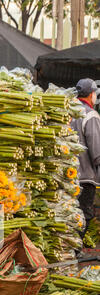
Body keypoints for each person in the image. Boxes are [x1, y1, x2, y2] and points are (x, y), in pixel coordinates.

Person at [71, 78, 100, 238]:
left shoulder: (68, 112)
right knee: (84, 215)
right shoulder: (90, 115)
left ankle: (70, 251)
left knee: (70, 215)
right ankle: (74, 251)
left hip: (68, 176)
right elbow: (97, 150)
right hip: (85, 177)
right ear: (91, 94)